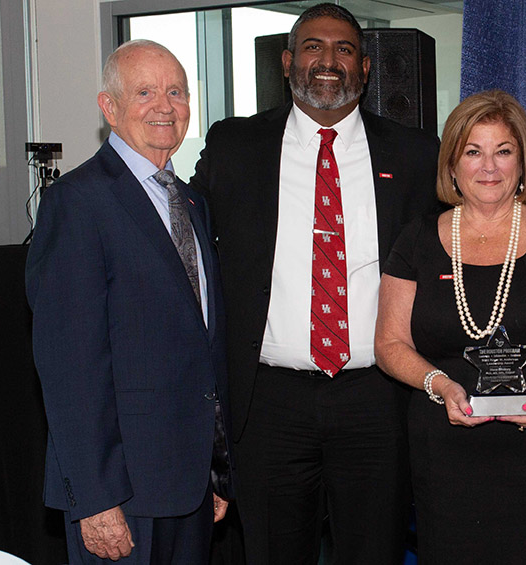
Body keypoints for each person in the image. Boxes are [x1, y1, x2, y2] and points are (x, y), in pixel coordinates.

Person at [188, 4, 439, 564]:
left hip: (377, 400)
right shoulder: (234, 147)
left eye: (345, 49)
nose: (329, 61)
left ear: (366, 68)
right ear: (286, 62)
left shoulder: (416, 154)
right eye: (313, 47)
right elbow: (181, 235)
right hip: (269, 402)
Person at [374, 89, 526, 564]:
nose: (489, 168)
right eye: (473, 152)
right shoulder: (417, 239)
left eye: (504, 151)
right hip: (447, 452)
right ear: (452, 165)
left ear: (522, 163)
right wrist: (437, 383)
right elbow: (389, 343)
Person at [26, 39, 231, 565]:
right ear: (109, 107)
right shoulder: (77, 202)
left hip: (189, 489)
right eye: (144, 92)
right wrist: (95, 500)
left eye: (176, 92)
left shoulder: (191, 203)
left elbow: (204, 350)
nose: (165, 106)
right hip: (121, 493)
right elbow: (69, 367)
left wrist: (216, 471)